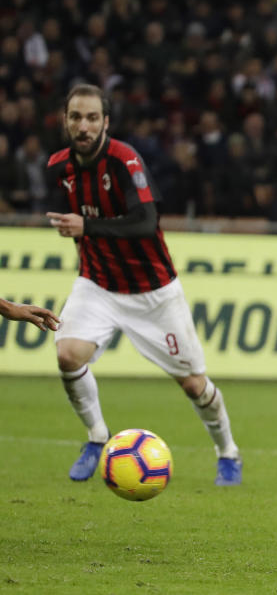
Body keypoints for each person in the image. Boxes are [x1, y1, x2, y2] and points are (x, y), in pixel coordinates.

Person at [45, 84, 242, 486]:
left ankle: (228, 452)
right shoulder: (59, 168)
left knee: (193, 384)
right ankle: (97, 437)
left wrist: (88, 227)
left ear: (106, 122)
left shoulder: (124, 160)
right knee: (68, 354)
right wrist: (82, 260)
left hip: (154, 292)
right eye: (75, 117)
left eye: (92, 118)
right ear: (65, 120)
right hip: (97, 284)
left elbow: (146, 222)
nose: (83, 126)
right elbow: (80, 227)